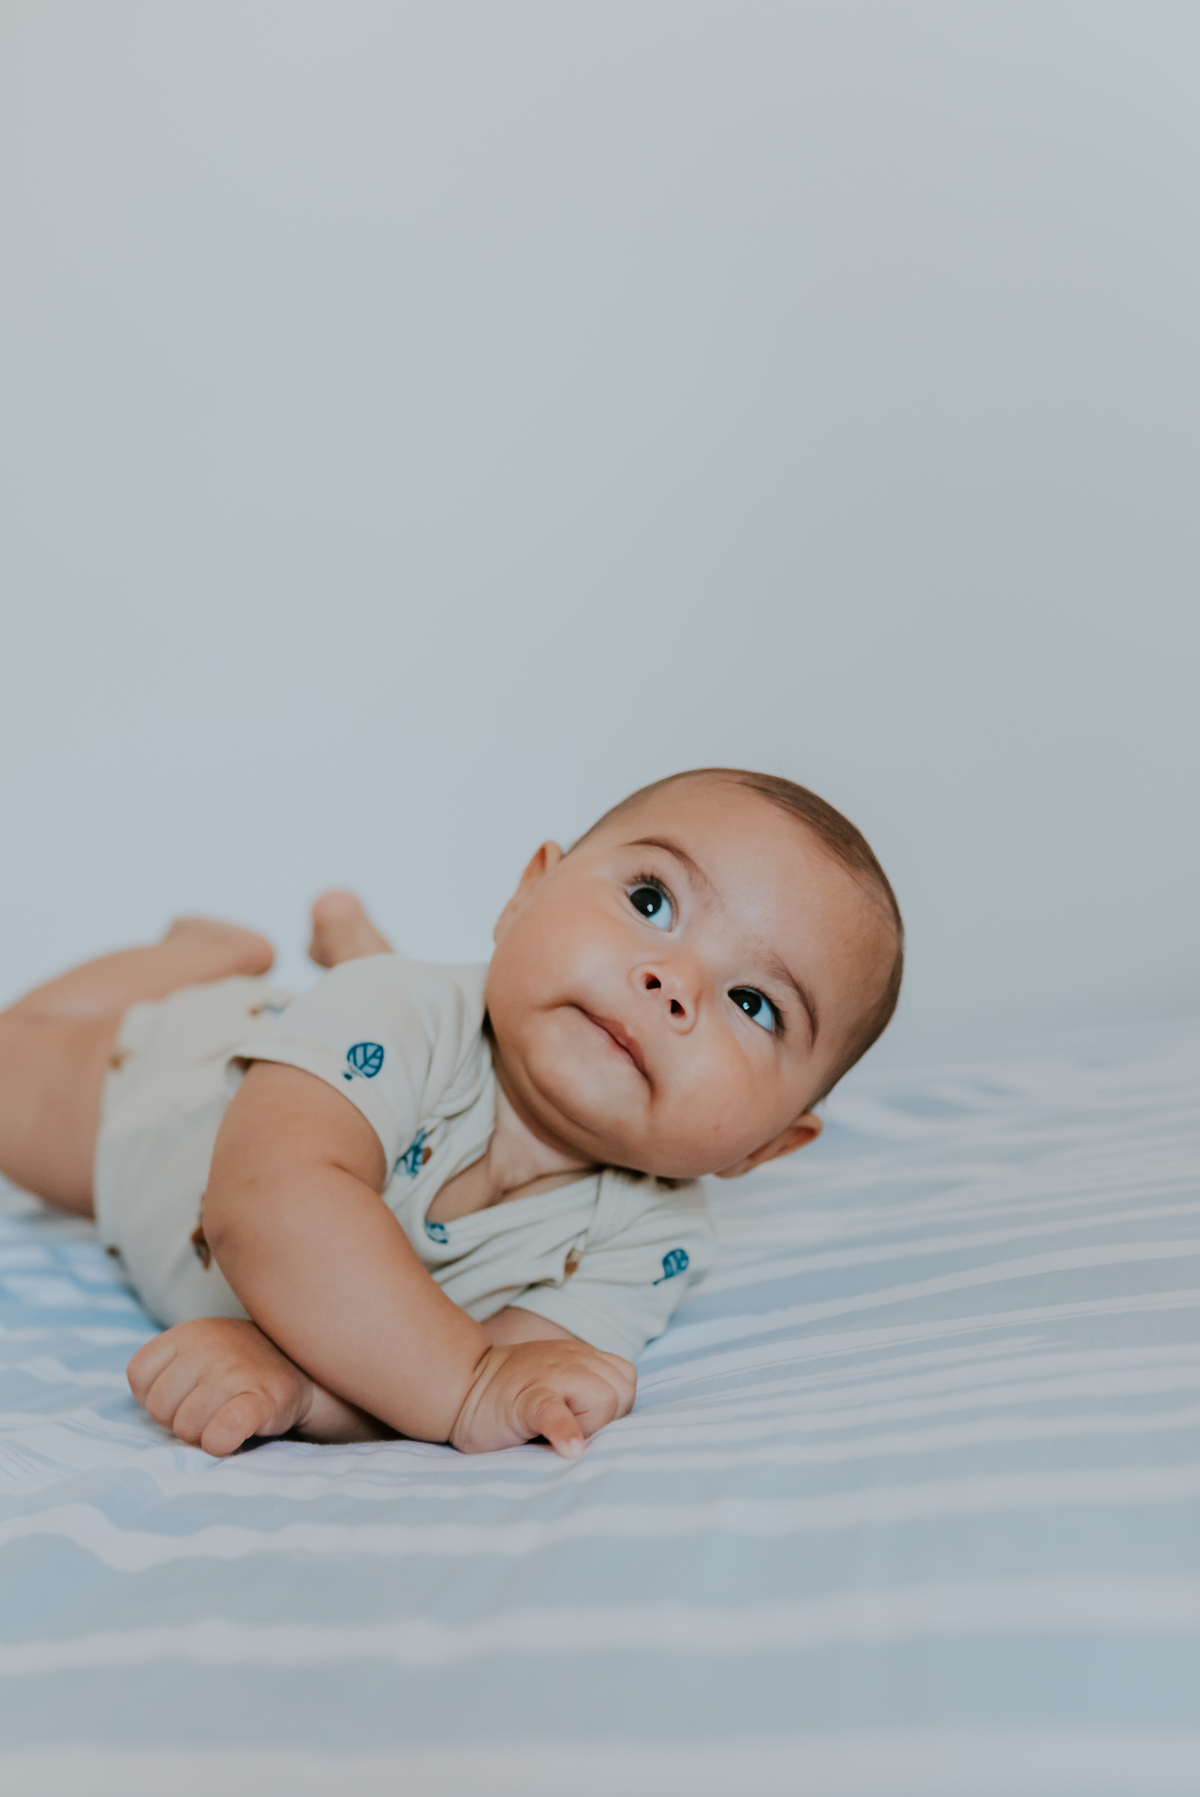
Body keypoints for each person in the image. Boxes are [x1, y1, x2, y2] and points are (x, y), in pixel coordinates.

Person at [0, 768, 903, 1461]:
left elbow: (469, 1367)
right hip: (158, 1093)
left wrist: (304, 1391)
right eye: (650, 901)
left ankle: (348, 950)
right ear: (528, 894)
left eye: (754, 1004)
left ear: (767, 1146)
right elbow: (274, 1206)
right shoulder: (397, 1011)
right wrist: (467, 1387)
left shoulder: (655, 1239)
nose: (675, 983)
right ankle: (209, 955)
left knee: (386, 1042)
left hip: (376, 1049)